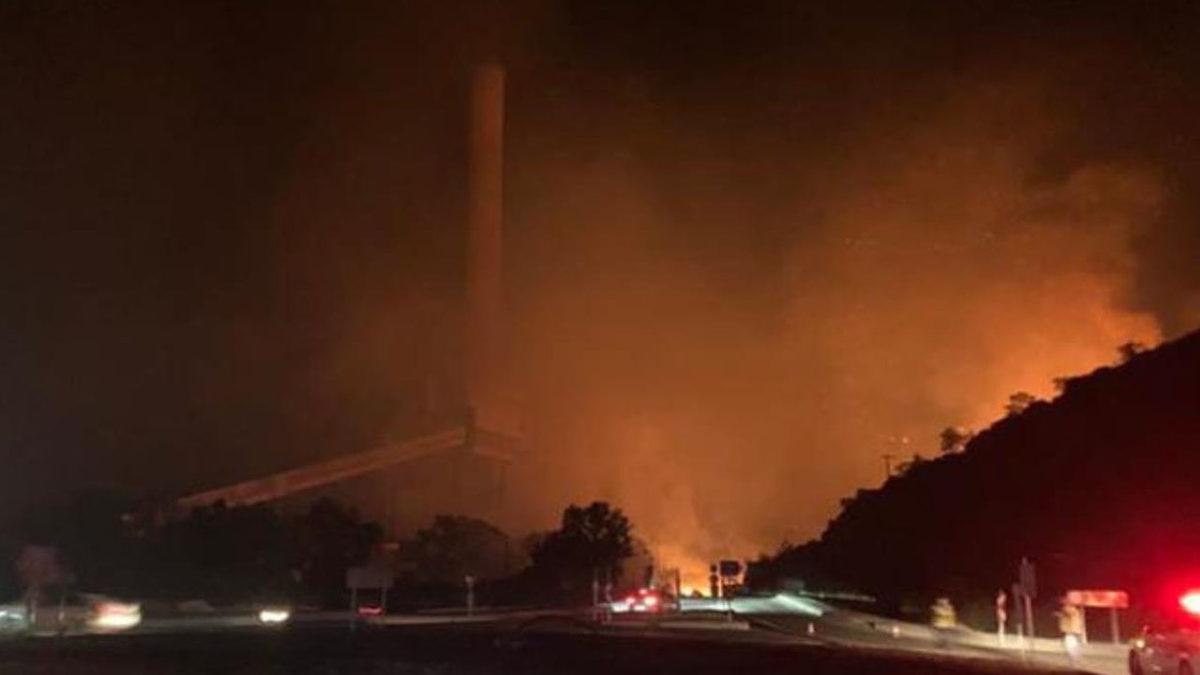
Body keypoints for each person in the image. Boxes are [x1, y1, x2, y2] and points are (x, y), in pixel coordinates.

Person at [1056, 599, 1084, 665]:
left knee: (1070, 646)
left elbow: (1068, 613)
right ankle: (1075, 659)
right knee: (1071, 646)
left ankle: (1073, 660)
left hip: (1071, 631)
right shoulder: (1074, 610)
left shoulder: (1070, 609)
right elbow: (1067, 615)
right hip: (1074, 631)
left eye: (1064, 603)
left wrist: (1062, 610)